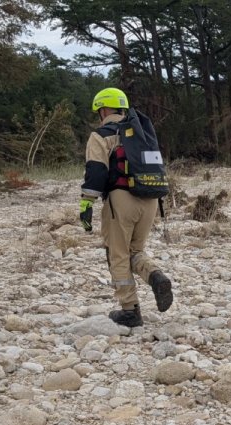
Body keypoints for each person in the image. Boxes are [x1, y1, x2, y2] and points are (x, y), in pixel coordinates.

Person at [79, 87, 173, 327]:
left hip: (121, 200)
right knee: (135, 251)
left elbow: (96, 172)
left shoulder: (101, 135)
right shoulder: (142, 133)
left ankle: (130, 310)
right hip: (151, 199)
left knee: (117, 254)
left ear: (103, 110)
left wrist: (86, 203)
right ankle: (155, 275)